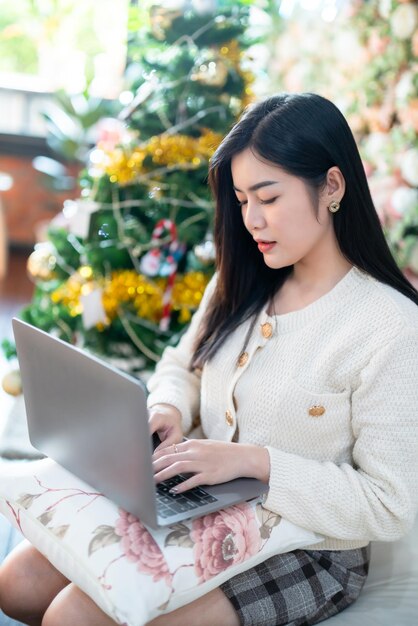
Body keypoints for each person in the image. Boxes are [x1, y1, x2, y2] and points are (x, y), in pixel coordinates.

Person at [1, 92, 417, 626]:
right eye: (242, 200)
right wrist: (169, 408)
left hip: (310, 545)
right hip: (204, 500)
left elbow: (389, 504)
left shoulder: (389, 327)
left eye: (268, 198)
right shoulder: (243, 280)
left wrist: (254, 462)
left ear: (332, 186)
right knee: (17, 584)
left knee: (69, 618)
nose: (251, 221)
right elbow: (182, 364)